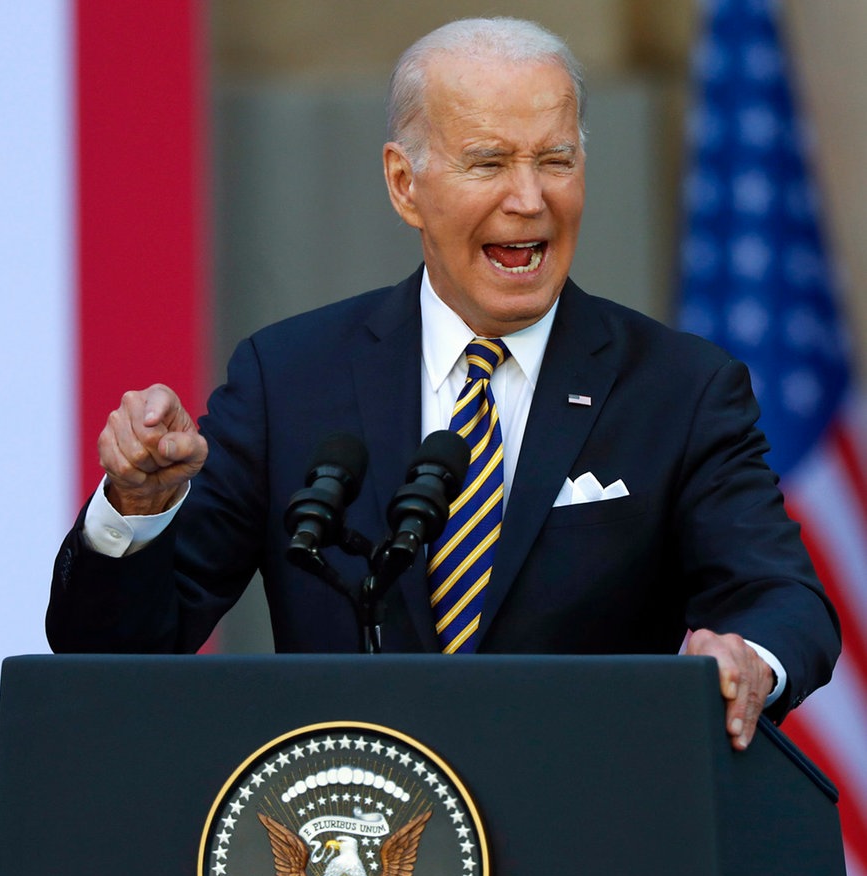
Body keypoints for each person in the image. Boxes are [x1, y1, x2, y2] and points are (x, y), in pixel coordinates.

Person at [47, 17, 840, 752]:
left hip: (590, 842)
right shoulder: (289, 378)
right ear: (405, 185)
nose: (529, 199)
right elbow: (117, 658)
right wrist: (136, 514)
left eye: (555, 160)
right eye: (489, 162)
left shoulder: (680, 389)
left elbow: (788, 601)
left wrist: (748, 659)